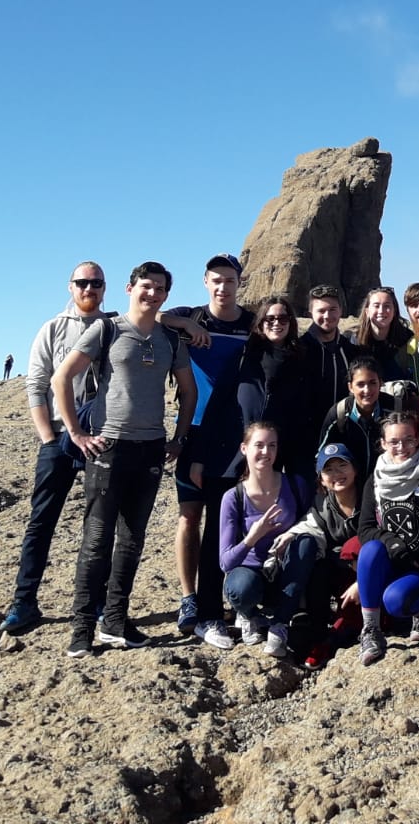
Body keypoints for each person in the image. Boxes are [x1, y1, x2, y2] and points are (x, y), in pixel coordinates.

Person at [55, 262, 197, 657]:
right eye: (145, 287)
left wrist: (179, 438)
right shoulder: (108, 329)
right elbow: (61, 378)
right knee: (96, 539)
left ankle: (115, 620)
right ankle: (81, 628)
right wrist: (76, 433)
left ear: (166, 295)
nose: (152, 294)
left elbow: (188, 391)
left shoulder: (170, 339)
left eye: (159, 289)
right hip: (109, 447)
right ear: (130, 288)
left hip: (150, 447)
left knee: (132, 540)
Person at [0, 262, 106, 635]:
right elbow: (37, 385)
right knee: (42, 522)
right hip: (60, 437)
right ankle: (24, 602)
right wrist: (48, 437)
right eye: (82, 282)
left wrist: (187, 323)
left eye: (95, 283)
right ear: (71, 287)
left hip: (101, 437)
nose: (89, 288)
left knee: (99, 523)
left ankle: (97, 605)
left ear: (105, 287)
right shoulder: (53, 328)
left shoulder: (113, 327)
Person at [163, 254, 256, 638]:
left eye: (229, 280)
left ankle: (230, 597)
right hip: (195, 428)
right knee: (190, 515)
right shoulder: (192, 317)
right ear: (205, 281)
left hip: (236, 435)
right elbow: (148, 314)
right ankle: (190, 597)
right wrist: (183, 322)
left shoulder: (251, 324)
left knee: (228, 519)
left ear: (239, 282)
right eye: (216, 280)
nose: (223, 287)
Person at [355, 411, 419, 666]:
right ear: (383, 443)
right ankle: (371, 631)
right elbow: (365, 528)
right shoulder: (375, 480)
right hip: (391, 562)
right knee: (369, 550)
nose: (401, 447)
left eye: (408, 440)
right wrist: (391, 541)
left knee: (396, 601)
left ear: (418, 440)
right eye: (394, 442)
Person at [216, 421, 313, 659]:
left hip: (285, 571)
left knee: (307, 543)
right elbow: (225, 562)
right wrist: (253, 536)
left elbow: (312, 520)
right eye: (258, 445)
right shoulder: (233, 497)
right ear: (244, 449)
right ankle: (248, 615)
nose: (265, 452)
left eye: (272, 446)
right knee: (241, 589)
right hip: (250, 573)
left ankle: (279, 626)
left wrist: (292, 532)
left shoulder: (294, 484)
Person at [269, 441, 364, 668]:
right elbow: (307, 527)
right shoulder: (322, 504)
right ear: (320, 479)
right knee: (316, 564)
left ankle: (337, 636)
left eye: (342, 466)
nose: (336, 474)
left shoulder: (369, 499)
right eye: (328, 470)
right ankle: (317, 630)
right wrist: (286, 540)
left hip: (365, 575)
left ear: (355, 469)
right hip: (338, 573)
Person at [237, 295, 312, 479]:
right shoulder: (247, 354)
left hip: (292, 441)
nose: (276, 323)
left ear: (290, 322)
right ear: (261, 322)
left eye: (283, 318)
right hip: (255, 440)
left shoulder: (303, 355)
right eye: (270, 318)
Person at [317, 358, 394, 485]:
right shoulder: (339, 413)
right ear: (350, 387)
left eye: (372, 383)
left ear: (380, 383)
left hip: (388, 482)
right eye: (360, 384)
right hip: (349, 485)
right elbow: (322, 456)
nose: (367, 390)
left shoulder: (394, 408)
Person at [299, 284, 356, 448]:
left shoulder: (350, 350)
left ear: (340, 311)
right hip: (305, 440)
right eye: (321, 310)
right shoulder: (299, 350)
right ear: (311, 313)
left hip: (344, 436)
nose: (327, 316)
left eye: (333, 309)